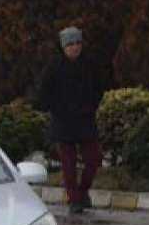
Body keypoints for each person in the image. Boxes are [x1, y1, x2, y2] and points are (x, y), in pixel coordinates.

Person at [35, 26, 103, 215]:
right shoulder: (54, 66)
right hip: (63, 122)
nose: (74, 47)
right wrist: (54, 108)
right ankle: (74, 200)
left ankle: (82, 192)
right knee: (68, 164)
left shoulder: (90, 64)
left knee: (93, 158)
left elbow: (99, 87)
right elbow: (43, 93)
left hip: (86, 120)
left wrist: (91, 106)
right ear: (63, 47)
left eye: (78, 43)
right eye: (70, 44)